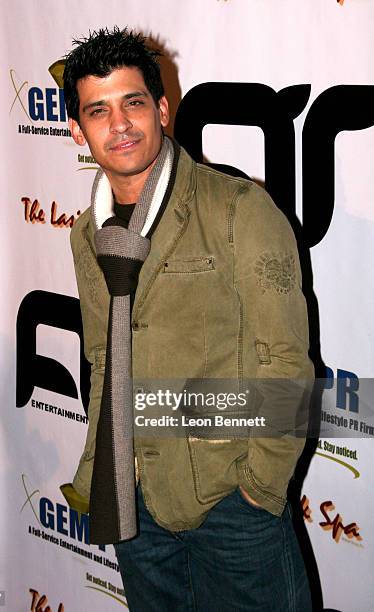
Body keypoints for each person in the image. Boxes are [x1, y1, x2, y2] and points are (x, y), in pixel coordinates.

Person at [64, 27, 314, 611]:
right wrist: (110, 476)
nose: (119, 125)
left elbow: (286, 362)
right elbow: (103, 357)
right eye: (98, 111)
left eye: (132, 102)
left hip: (230, 503)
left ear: (162, 108)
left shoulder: (238, 210)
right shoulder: (85, 234)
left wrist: (257, 487)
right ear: (78, 130)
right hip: (131, 502)